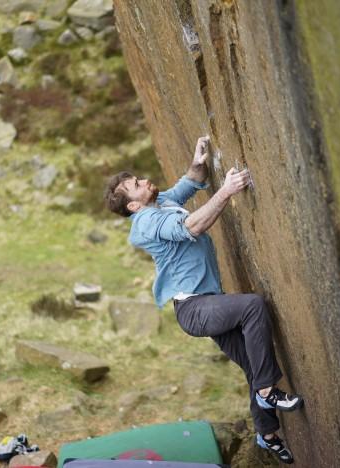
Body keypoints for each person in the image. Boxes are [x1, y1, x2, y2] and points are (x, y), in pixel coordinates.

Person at [104, 136, 303, 464]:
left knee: (254, 365)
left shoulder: (159, 203)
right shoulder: (148, 222)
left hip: (208, 304)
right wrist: (226, 191)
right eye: (136, 184)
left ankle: (266, 434)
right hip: (196, 309)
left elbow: (189, 184)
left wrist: (198, 162)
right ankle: (269, 392)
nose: (142, 180)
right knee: (252, 306)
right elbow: (191, 226)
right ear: (133, 206)